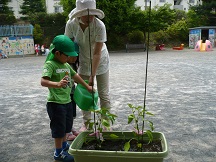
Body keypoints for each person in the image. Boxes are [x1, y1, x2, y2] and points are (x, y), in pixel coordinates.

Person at [41, 35, 93, 161]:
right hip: (55, 103)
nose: (69, 57)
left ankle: (64, 147)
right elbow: (43, 81)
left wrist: (87, 86)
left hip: (67, 102)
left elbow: (75, 76)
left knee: (66, 127)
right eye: (67, 55)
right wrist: (57, 84)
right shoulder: (50, 64)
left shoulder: (66, 65)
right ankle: (58, 153)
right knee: (58, 129)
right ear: (58, 53)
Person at [64, 0, 111, 132]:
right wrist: (71, 55)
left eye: (92, 14)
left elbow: (96, 53)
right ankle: (87, 124)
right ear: (79, 14)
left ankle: (106, 123)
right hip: (83, 61)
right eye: (86, 14)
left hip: (100, 61)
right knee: (84, 92)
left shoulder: (99, 25)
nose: (90, 17)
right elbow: (67, 43)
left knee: (103, 93)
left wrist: (92, 76)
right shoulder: (71, 24)